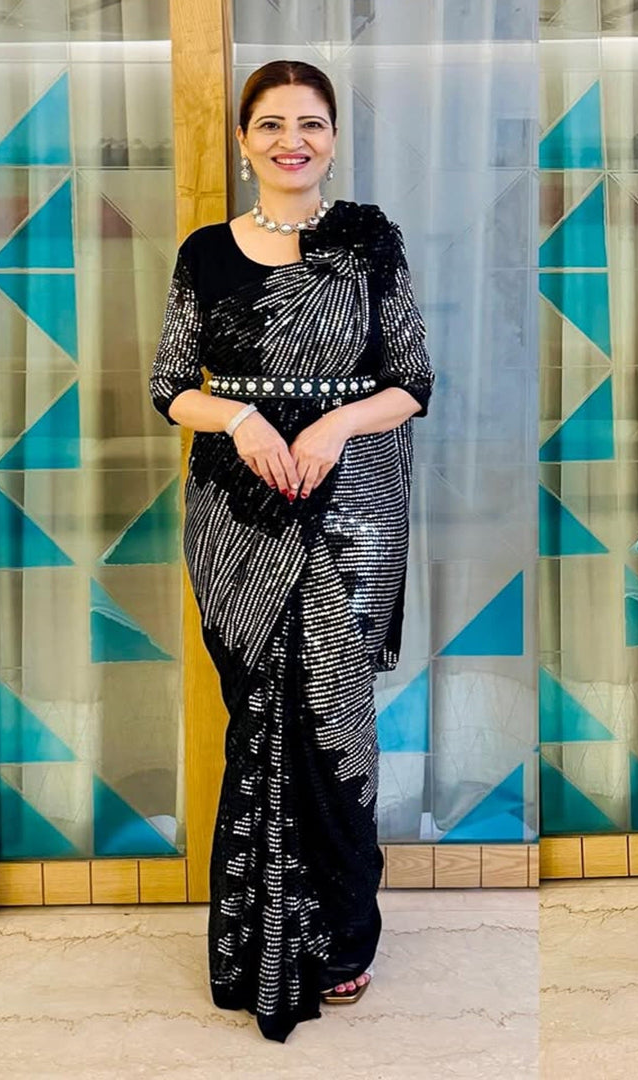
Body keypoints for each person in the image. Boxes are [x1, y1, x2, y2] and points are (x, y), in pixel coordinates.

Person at [149, 59, 434, 1043]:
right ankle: (256, 940)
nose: (291, 140)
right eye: (271, 124)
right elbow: (170, 385)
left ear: (332, 137)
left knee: (334, 717)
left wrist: (331, 427)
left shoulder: (368, 248)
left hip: (351, 514)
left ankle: (342, 940)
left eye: (310, 123)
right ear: (244, 139)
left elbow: (411, 381)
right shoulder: (205, 253)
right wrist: (235, 418)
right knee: (257, 716)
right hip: (234, 518)